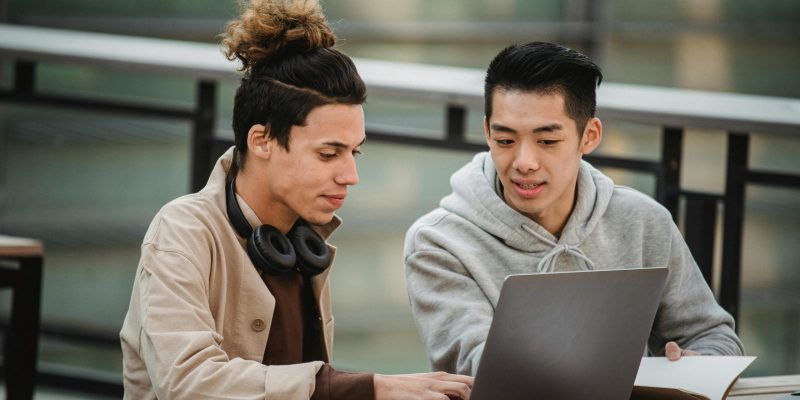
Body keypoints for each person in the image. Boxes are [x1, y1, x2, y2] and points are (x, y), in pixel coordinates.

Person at [120, 0, 473, 398]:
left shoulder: (302, 244)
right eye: (328, 154)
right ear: (262, 141)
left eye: (354, 152)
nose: (350, 176)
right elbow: (187, 383)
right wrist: (369, 389)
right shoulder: (182, 232)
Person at [403, 41, 744, 376]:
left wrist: (697, 364)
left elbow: (714, 336)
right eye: (505, 140)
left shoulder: (643, 221)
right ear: (487, 133)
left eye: (547, 141)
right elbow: (478, 369)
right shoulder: (439, 242)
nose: (524, 162)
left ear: (589, 136)